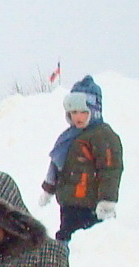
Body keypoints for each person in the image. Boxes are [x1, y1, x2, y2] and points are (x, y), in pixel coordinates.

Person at [39, 75, 123, 242]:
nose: (78, 117)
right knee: (66, 237)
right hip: (69, 203)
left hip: (90, 206)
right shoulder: (69, 137)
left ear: (94, 112)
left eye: (83, 112)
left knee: (84, 244)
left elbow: (110, 169)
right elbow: (56, 165)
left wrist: (106, 201)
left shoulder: (102, 135)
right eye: (74, 112)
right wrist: (49, 188)